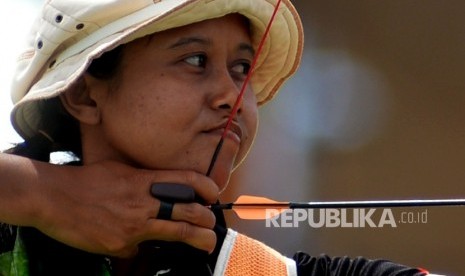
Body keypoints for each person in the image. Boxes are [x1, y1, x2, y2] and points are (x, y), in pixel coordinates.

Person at [0, 0, 436, 275]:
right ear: (83, 94)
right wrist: (46, 196)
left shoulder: (261, 271)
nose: (234, 94)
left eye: (241, 69)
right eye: (195, 60)